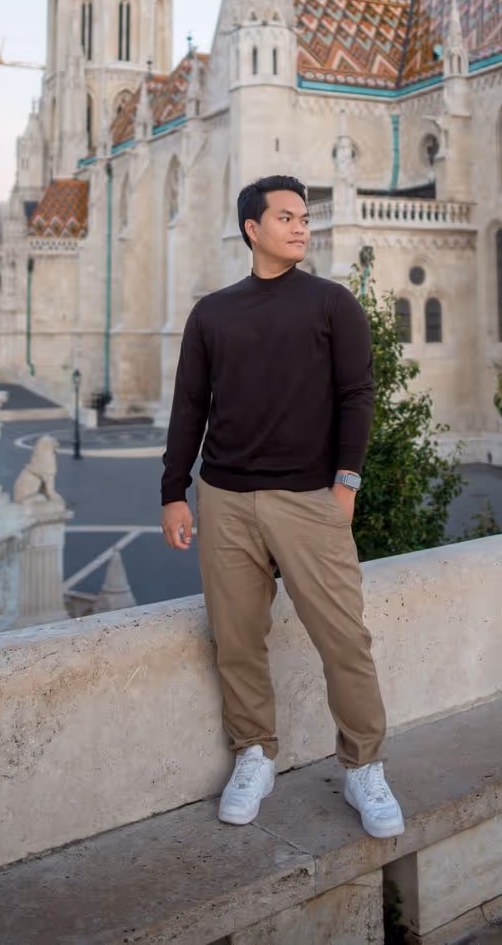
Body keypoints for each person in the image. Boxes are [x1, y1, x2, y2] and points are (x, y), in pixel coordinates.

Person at [160, 174, 404, 838]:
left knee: (343, 638)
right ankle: (254, 753)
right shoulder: (212, 313)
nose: (302, 227)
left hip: (308, 499)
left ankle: (364, 767)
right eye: (287, 217)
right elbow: (189, 407)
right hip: (225, 499)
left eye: (304, 217)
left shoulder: (332, 305)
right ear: (253, 229)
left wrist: (346, 483)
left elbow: (358, 394)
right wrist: (173, 492)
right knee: (237, 640)